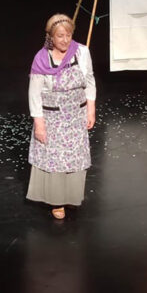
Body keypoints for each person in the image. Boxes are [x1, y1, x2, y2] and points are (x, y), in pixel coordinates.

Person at [27, 14, 96, 220]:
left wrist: (90, 109)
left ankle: (72, 197)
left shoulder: (82, 52)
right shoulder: (41, 59)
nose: (65, 40)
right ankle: (56, 201)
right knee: (55, 159)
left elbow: (90, 80)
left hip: (76, 114)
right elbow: (34, 94)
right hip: (52, 117)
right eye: (60, 36)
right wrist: (39, 123)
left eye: (68, 35)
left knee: (74, 157)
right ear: (50, 37)